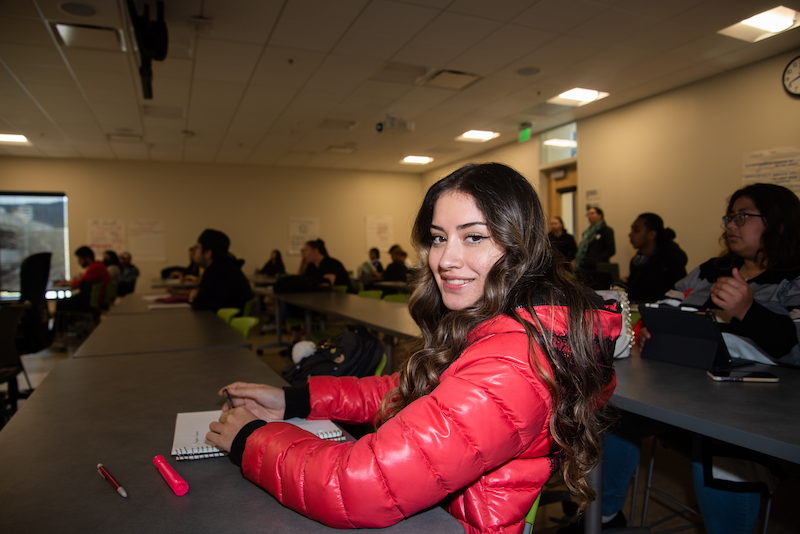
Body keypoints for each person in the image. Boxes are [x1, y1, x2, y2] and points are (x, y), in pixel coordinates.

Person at [206, 163, 622, 533]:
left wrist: (250, 438)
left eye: (474, 237)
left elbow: (358, 485)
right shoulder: (503, 325)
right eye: (439, 238)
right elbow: (412, 391)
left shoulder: (511, 364)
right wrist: (294, 399)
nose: (445, 259)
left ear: (520, 247)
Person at [598, 183, 800, 534]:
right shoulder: (712, 270)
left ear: (779, 223)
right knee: (612, 421)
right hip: (683, 394)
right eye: (729, 217)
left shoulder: (793, 280)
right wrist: (650, 328)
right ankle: (605, 518)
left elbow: (796, 348)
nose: (730, 225)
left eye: (743, 216)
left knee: (719, 461)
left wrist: (748, 311)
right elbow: (666, 306)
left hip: (758, 412)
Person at [623, 213, 688, 303]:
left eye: (636, 230)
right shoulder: (636, 261)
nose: (630, 234)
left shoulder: (670, 262)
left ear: (651, 235)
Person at [188, 229, 254, 312]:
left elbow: (200, 305)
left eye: (197, 247)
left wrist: (196, 296)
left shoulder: (219, 273)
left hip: (223, 324)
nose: (194, 252)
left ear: (208, 253)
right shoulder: (226, 267)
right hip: (222, 322)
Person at [53, 246, 111, 312]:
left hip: (95, 301)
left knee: (61, 303)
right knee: (68, 301)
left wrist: (63, 283)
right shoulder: (98, 265)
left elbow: (80, 283)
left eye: (80, 259)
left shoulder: (95, 267)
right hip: (97, 299)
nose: (79, 262)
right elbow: (82, 280)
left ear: (88, 258)